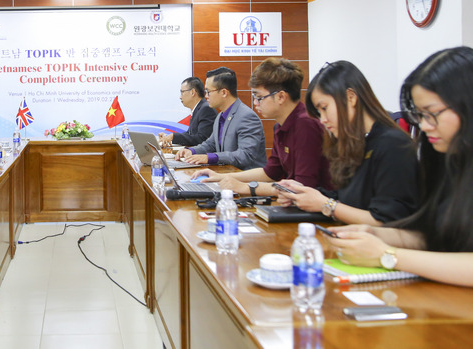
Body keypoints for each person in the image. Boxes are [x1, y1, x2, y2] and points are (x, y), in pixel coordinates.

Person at [327, 47, 473, 286]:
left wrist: (387, 255)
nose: (424, 126)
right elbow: (437, 238)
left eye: (432, 114)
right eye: (420, 115)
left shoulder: (391, 142)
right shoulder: (448, 159)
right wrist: (376, 235)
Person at [276, 61, 419, 225]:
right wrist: (301, 194)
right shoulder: (358, 142)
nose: (323, 120)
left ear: (351, 97)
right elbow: (348, 199)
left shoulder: (393, 144)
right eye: (319, 113)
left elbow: (387, 220)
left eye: (324, 108)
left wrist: (326, 205)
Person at [191, 58, 331, 197]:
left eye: (259, 97)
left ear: (281, 97)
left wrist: (246, 187)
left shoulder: (305, 125)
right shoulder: (280, 126)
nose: (255, 103)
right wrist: (221, 177)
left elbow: (301, 187)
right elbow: (270, 172)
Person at [175, 67, 266, 170]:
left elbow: (245, 155)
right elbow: (211, 144)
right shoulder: (221, 116)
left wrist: (209, 157)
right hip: (227, 174)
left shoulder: (247, 117)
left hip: (246, 177)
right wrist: (191, 151)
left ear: (224, 92)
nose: (206, 96)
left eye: (208, 92)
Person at [158, 76, 217, 148]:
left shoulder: (206, 109)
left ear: (192, 92)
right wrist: (169, 137)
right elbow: (190, 134)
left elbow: (202, 138)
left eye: (182, 92)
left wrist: (174, 136)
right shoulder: (198, 109)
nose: (180, 97)